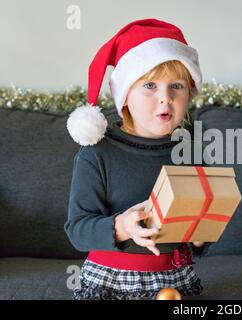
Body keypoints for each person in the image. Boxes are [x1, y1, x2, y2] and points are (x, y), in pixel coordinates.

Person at [64, 18, 209, 300]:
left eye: (176, 86)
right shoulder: (97, 153)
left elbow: (196, 235)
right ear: (125, 96)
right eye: (150, 85)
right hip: (112, 280)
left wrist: (201, 234)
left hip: (173, 280)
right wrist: (121, 227)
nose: (165, 98)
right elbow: (78, 229)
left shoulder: (190, 151)